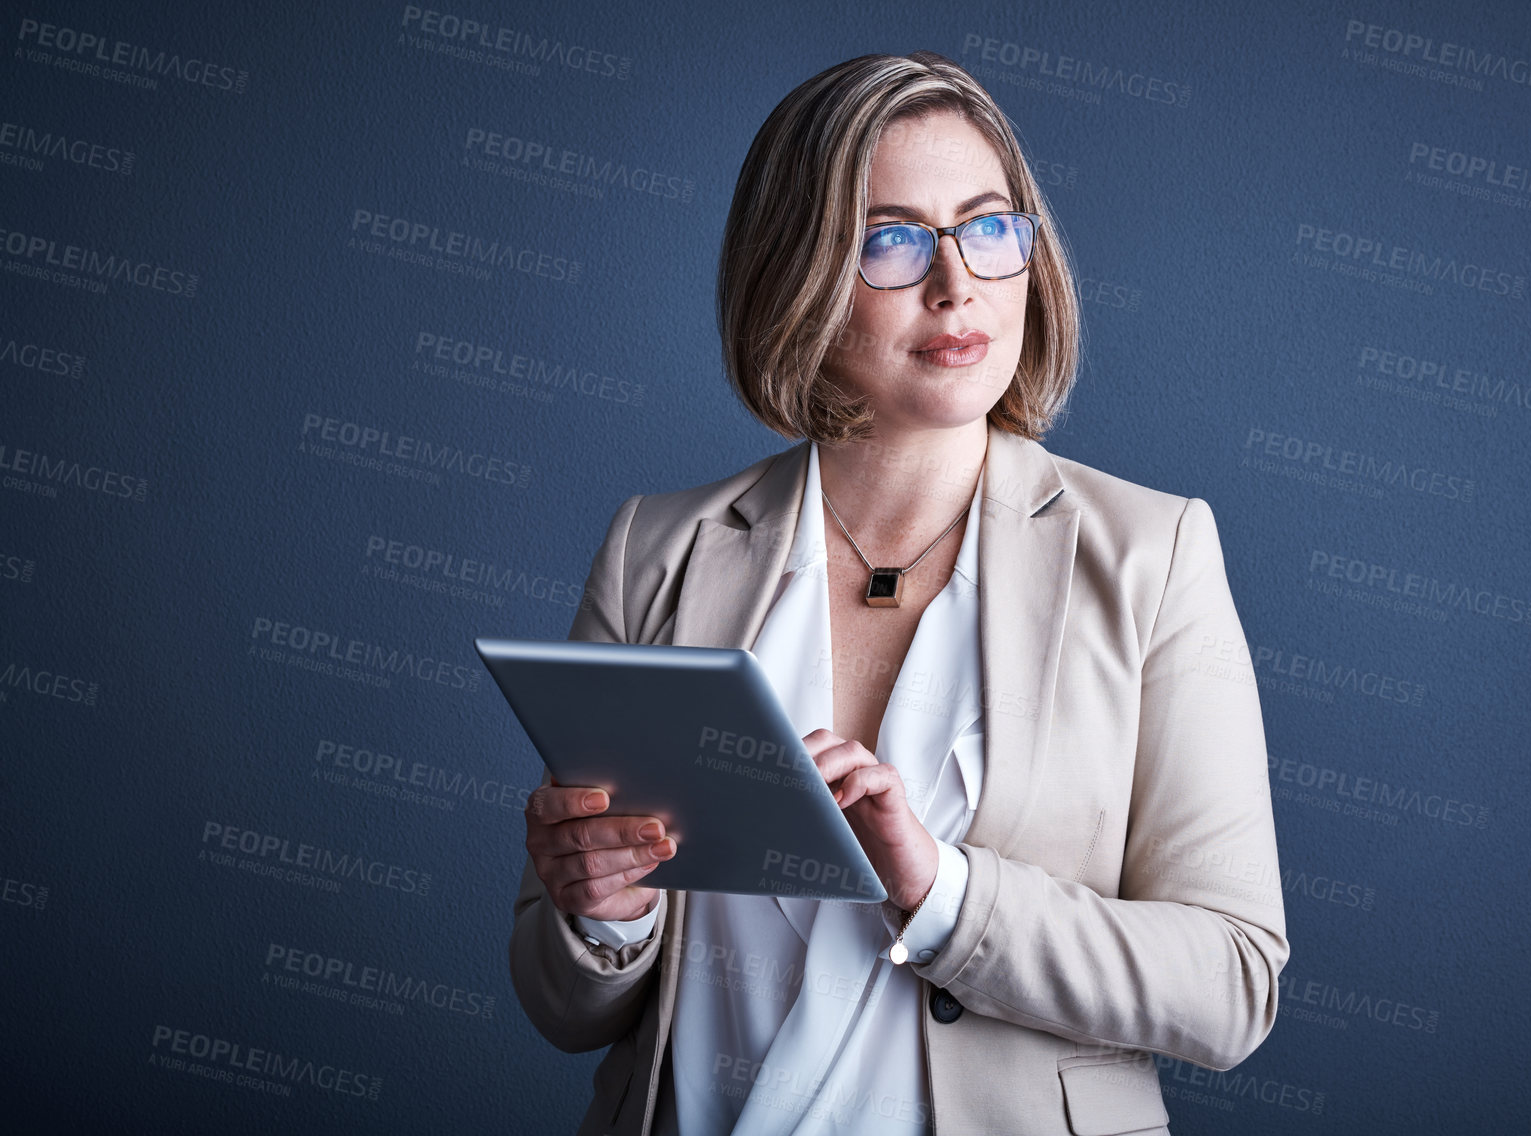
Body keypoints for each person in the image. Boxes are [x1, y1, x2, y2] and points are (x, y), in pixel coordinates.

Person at [509, 50, 1288, 1136]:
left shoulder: (1152, 553)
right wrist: (606, 914)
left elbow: (1233, 980)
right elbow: (562, 1003)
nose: (956, 281)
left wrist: (945, 892)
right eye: (891, 238)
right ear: (795, 275)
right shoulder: (660, 547)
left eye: (987, 225)